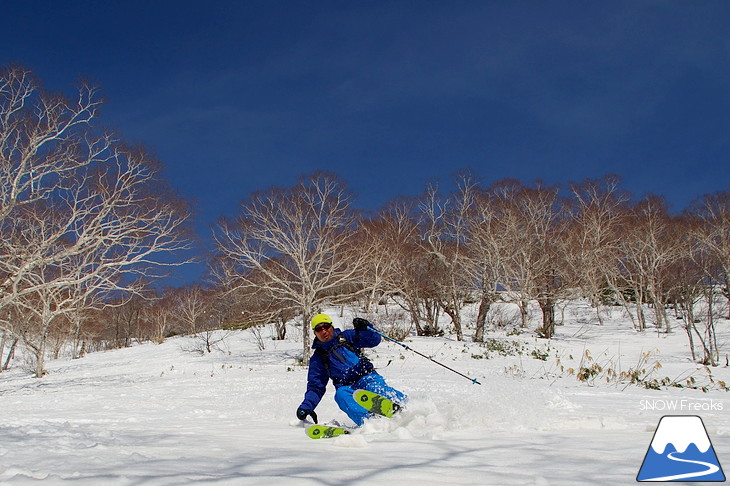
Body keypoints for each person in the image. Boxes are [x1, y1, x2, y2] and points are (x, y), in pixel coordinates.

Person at [296, 314, 407, 426]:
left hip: (367, 377)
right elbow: (316, 386)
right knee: (340, 395)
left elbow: (375, 340)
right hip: (347, 387)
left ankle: (406, 408)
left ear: (332, 326)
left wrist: (366, 327)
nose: (323, 331)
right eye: (319, 329)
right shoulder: (318, 358)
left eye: (326, 326)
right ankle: (370, 423)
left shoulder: (347, 337)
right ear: (315, 333)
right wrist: (306, 406)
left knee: (374, 389)